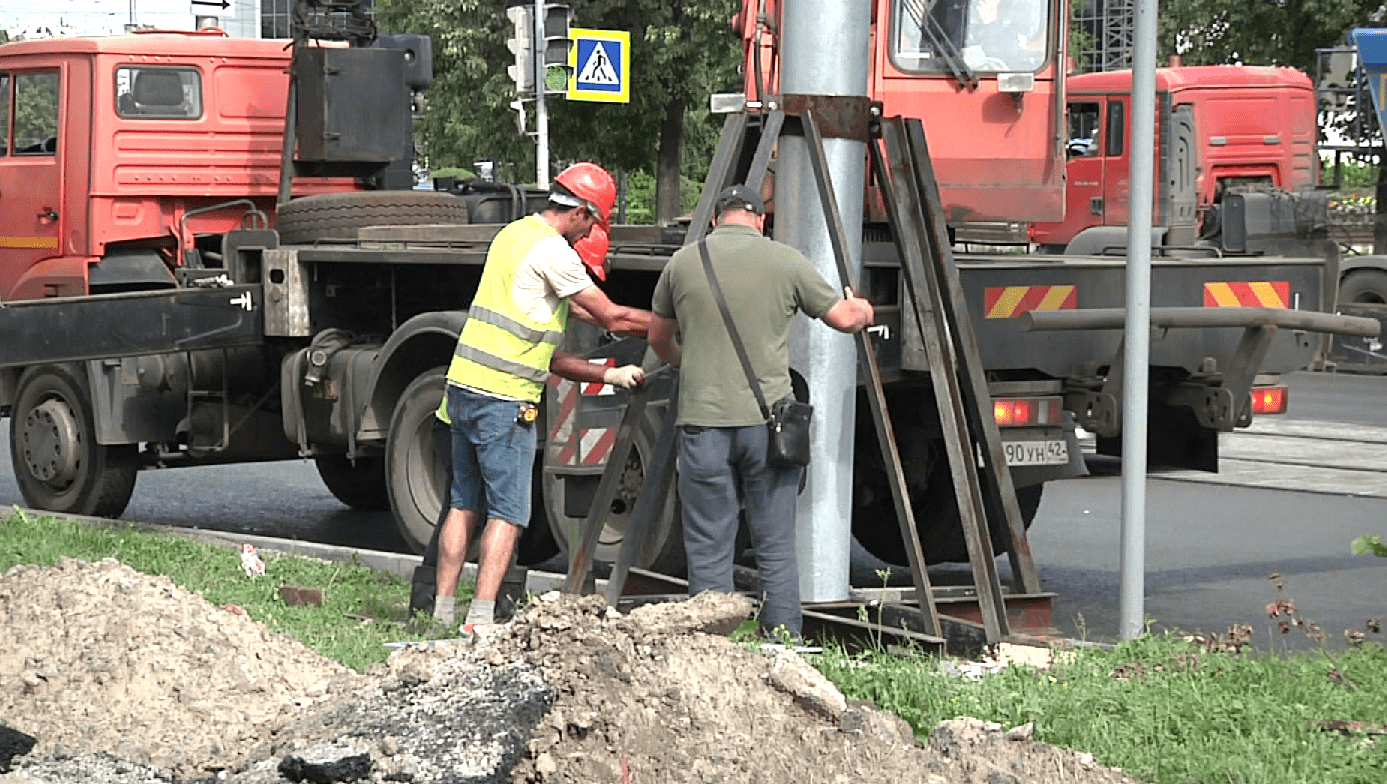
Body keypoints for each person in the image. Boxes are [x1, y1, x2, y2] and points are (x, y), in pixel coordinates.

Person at [647, 184, 874, 642]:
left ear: (715, 220)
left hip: (703, 423)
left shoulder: (684, 263)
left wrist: (688, 364)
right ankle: (782, 643)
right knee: (774, 544)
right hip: (768, 426)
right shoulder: (785, 261)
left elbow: (658, 339)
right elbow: (845, 319)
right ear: (760, 221)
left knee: (709, 545)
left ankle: (712, 647)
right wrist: (863, 308)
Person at [432, 162, 651, 629]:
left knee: (463, 504)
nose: (590, 231)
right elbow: (611, 317)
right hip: (504, 398)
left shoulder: (512, 234)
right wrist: (672, 323)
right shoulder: (556, 252)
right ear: (582, 213)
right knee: (507, 513)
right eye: (594, 222)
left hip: (463, 386)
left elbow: (555, 339)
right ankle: (480, 619)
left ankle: (442, 611)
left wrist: (610, 375)